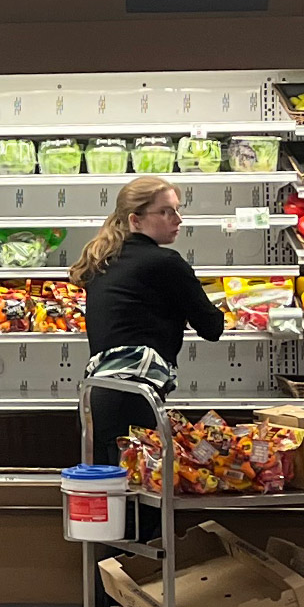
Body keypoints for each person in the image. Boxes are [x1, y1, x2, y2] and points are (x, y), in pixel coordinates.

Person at [73, 174, 225, 456]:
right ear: (135, 220)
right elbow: (211, 327)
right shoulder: (166, 263)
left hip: (96, 394)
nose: (177, 219)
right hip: (134, 397)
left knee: (111, 492)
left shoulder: (106, 261)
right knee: (141, 492)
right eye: (166, 211)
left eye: (178, 210)